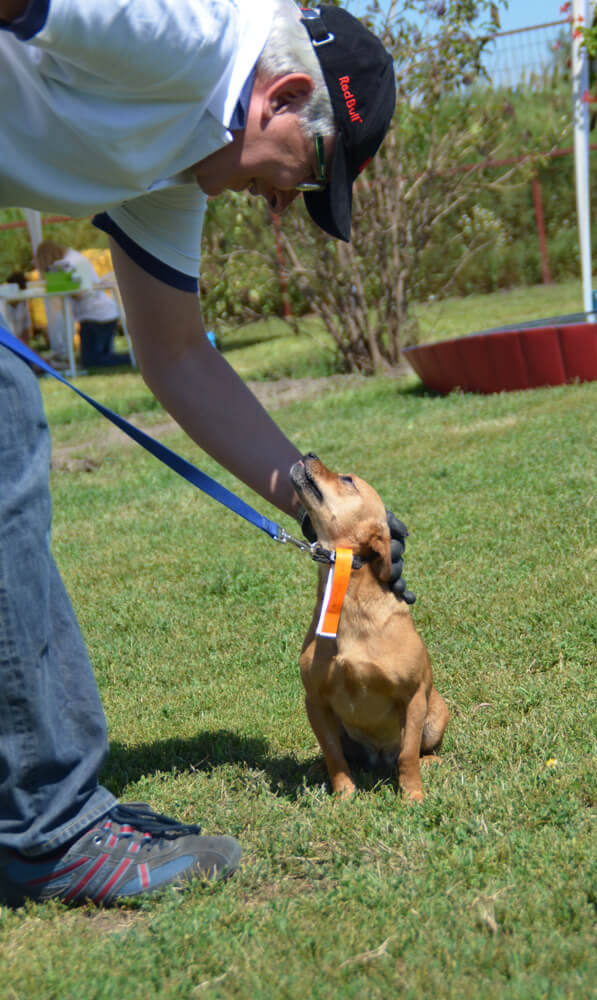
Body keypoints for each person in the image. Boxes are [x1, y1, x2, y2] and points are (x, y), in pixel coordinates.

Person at [0, 0, 407, 907]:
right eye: (307, 177)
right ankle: (49, 831)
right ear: (283, 96)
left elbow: (178, 355)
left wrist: (316, 502)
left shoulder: (178, 169)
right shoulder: (186, 25)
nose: (283, 205)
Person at [35, 241, 130, 369]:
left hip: (96, 316)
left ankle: (130, 358)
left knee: (91, 361)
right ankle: (129, 358)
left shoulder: (70, 262)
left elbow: (80, 294)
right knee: (97, 356)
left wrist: (59, 285)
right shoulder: (74, 257)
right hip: (104, 314)